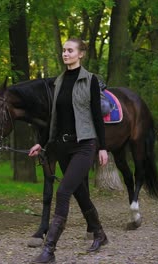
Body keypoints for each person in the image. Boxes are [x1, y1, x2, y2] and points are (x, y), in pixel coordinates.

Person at [28, 38, 109, 263]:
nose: (65, 54)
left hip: (85, 145)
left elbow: (96, 116)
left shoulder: (90, 80)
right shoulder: (58, 82)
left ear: (81, 54)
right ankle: (100, 233)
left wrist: (103, 147)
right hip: (62, 146)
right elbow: (53, 118)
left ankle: (49, 250)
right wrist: (41, 143)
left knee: (63, 192)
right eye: (63, 50)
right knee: (79, 192)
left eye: (70, 50)